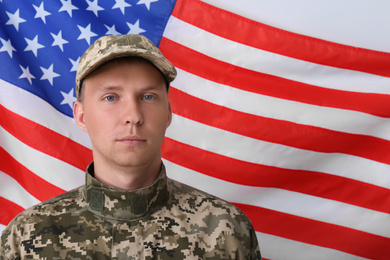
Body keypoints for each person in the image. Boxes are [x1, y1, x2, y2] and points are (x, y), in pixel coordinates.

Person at [0, 34, 261, 259]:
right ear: (81, 116)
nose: (133, 116)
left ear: (168, 113)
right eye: (111, 97)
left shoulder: (227, 230)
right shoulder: (26, 236)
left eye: (148, 97)